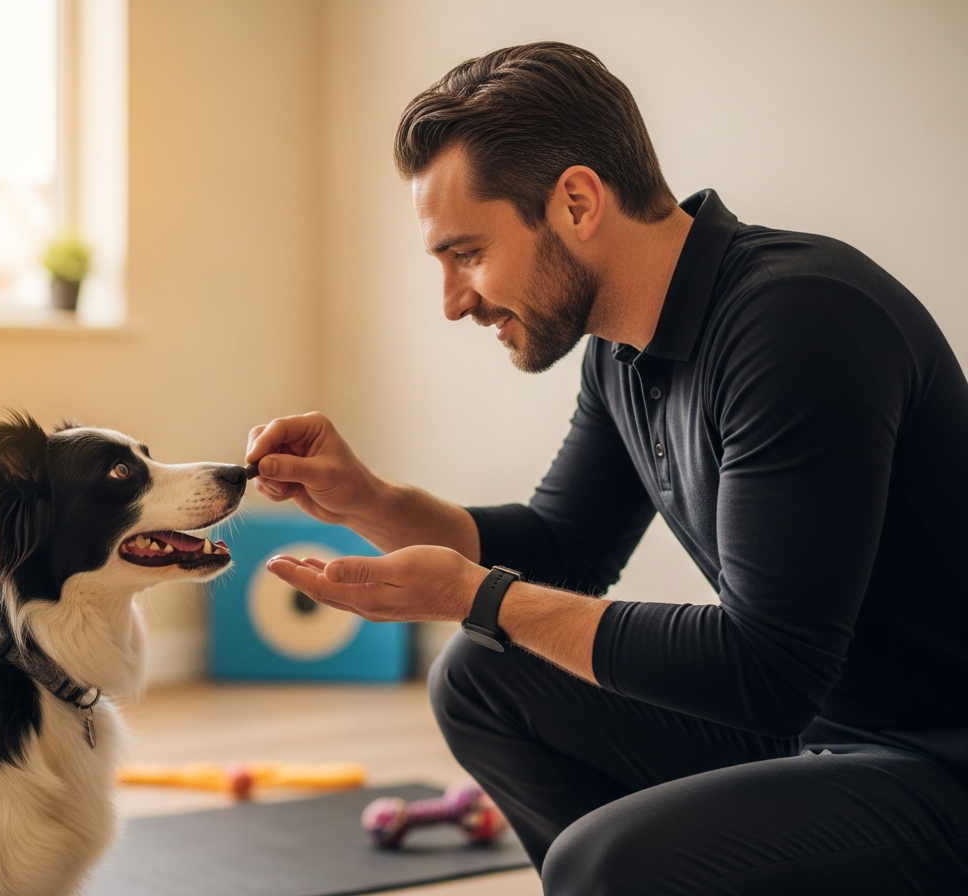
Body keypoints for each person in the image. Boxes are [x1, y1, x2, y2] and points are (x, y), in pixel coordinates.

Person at [244, 42, 968, 894]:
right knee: (483, 678)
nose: (454, 302)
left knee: (605, 861)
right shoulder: (622, 354)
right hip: (825, 726)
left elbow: (766, 668)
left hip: (938, 756)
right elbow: (565, 548)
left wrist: (474, 595)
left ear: (578, 201)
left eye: (467, 253)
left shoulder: (799, 324)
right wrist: (365, 500)